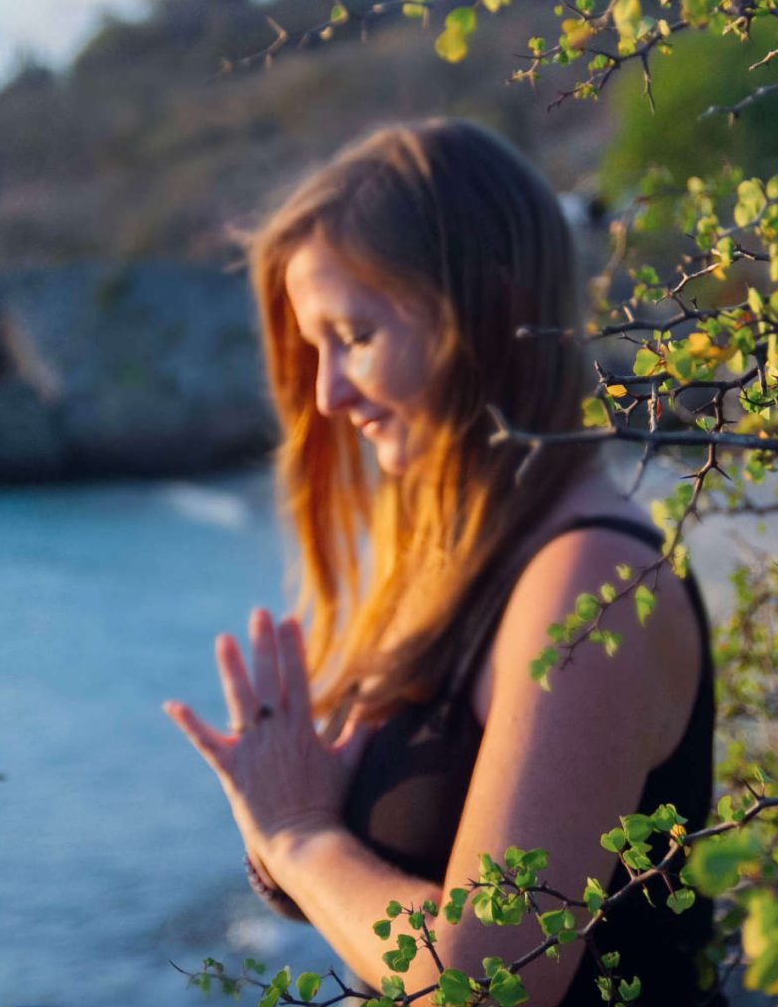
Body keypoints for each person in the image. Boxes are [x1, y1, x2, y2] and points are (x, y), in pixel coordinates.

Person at [165, 119, 716, 1007]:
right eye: (315, 349)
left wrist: (303, 835)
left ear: (479, 314)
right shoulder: (475, 568)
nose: (327, 394)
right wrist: (319, 823)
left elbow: (485, 986)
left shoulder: (596, 587)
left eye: (353, 336)